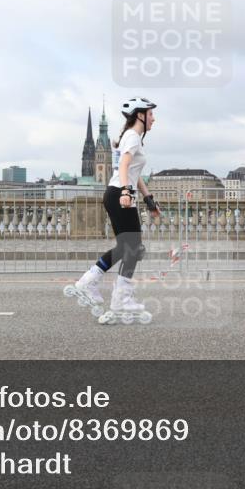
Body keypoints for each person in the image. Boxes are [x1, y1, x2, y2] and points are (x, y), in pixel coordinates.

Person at [68, 97, 159, 325]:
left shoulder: (133, 137)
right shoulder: (132, 137)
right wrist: (127, 192)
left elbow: (134, 173)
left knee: (126, 247)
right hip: (120, 194)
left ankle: (90, 282)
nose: (153, 118)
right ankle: (120, 298)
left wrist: (148, 199)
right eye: (150, 114)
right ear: (139, 115)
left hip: (117, 192)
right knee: (133, 247)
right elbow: (125, 166)